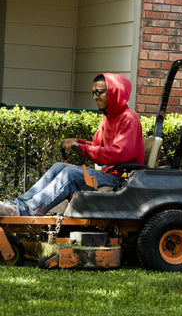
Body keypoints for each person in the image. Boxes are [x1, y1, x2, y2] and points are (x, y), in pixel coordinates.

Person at [0, 73, 144, 216]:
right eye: (93, 93)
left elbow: (119, 153)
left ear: (114, 92)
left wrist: (82, 147)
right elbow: (96, 145)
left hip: (121, 179)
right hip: (108, 174)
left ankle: (25, 211)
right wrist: (77, 142)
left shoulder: (129, 118)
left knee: (70, 174)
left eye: (99, 92)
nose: (95, 97)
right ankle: (17, 205)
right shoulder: (108, 118)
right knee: (59, 167)